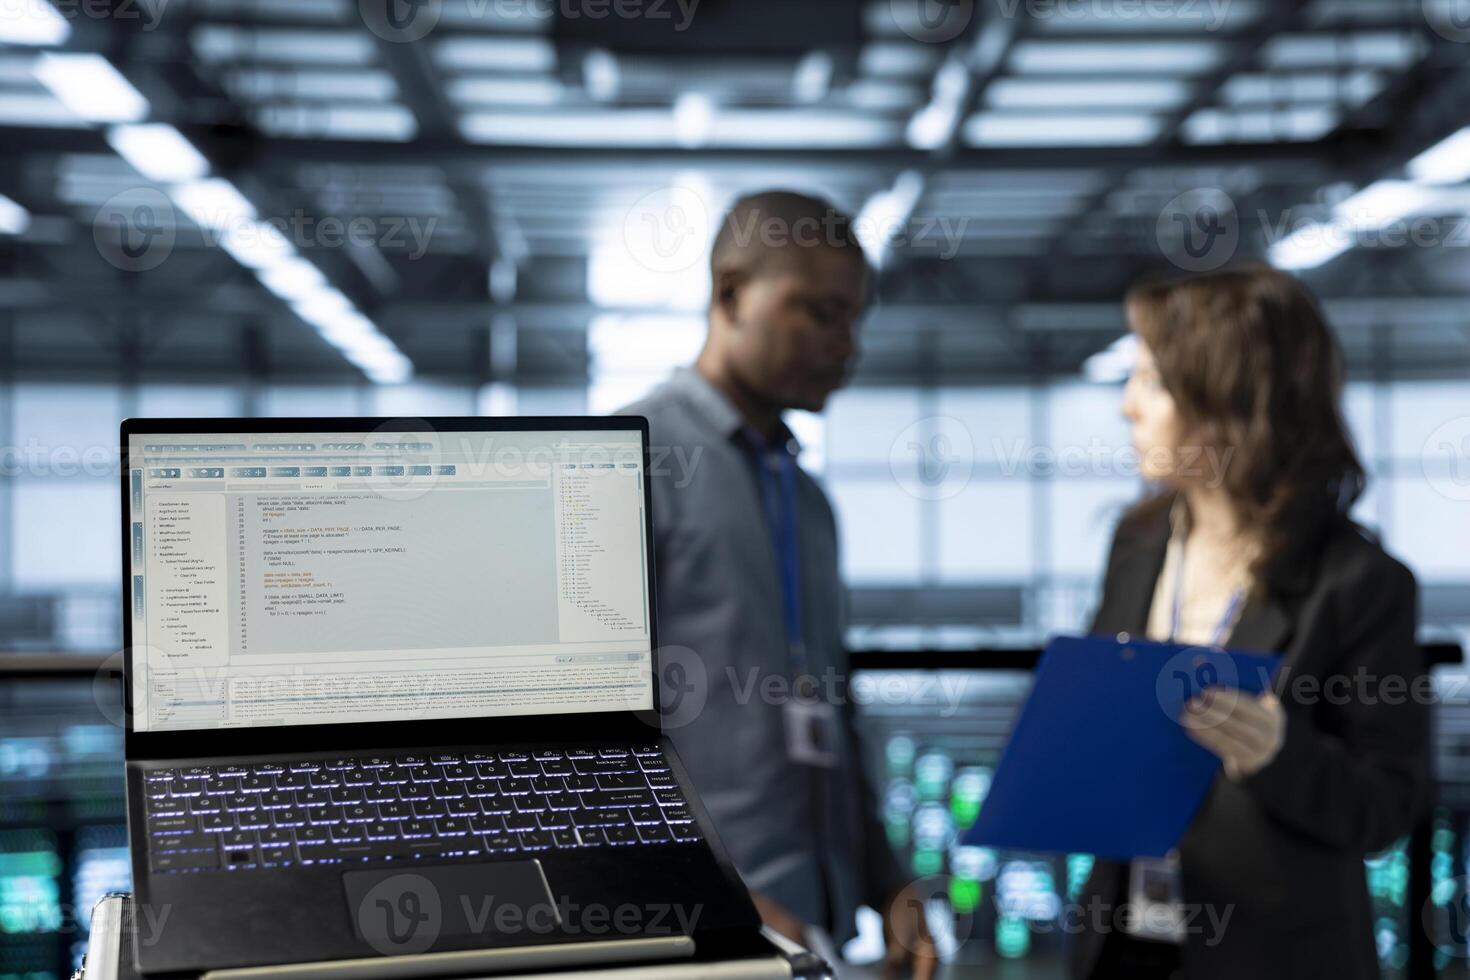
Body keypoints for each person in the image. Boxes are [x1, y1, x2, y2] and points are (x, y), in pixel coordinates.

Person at [1073, 264, 1430, 980]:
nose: (1127, 408)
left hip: (1274, 956)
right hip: (1126, 946)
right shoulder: (1138, 544)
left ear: (1227, 401)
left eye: (1151, 382)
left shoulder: (1357, 583)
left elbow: (1387, 805)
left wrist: (1280, 754)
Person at [619, 190, 936, 978]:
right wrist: (712, 891)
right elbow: (596, 732)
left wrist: (888, 880)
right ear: (730, 296)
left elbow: (834, 702)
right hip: (695, 930)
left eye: (853, 319)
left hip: (816, 931)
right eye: (818, 313)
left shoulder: (809, 501)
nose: (845, 344)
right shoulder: (631, 464)